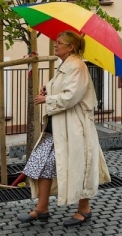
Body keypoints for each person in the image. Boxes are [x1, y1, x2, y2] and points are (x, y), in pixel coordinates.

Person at [17, 31, 111, 228]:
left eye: (59, 42)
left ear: (71, 47)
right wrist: (48, 88)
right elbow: (62, 88)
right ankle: (42, 209)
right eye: (56, 42)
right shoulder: (66, 64)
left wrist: (47, 99)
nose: (55, 45)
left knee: (79, 166)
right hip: (57, 126)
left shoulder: (78, 66)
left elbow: (71, 96)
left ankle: (84, 209)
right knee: (41, 163)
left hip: (74, 128)